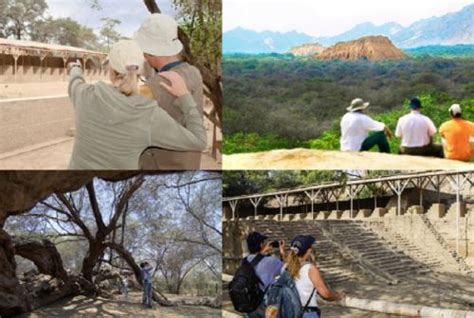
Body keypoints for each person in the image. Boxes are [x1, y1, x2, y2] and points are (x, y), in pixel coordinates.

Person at [67, 39, 207, 169]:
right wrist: (184, 96)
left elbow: (75, 80)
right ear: (139, 70)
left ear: (111, 69)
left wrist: (75, 67)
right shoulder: (148, 114)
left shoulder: (84, 95)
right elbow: (199, 141)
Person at [134, 13, 205, 170]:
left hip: (160, 165)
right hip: (190, 162)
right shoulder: (194, 72)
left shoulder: (152, 87)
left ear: (148, 52)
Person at [287, 235, 344, 318]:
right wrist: (339, 296)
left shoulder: (285, 267)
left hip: (289, 312)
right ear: (309, 250)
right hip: (306, 313)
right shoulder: (310, 268)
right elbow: (325, 294)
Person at [245, 232, 286, 318]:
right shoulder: (271, 261)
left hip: (250, 303)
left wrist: (263, 250)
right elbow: (285, 270)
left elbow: (257, 260)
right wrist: (282, 252)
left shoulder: (245, 261)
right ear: (261, 244)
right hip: (265, 304)